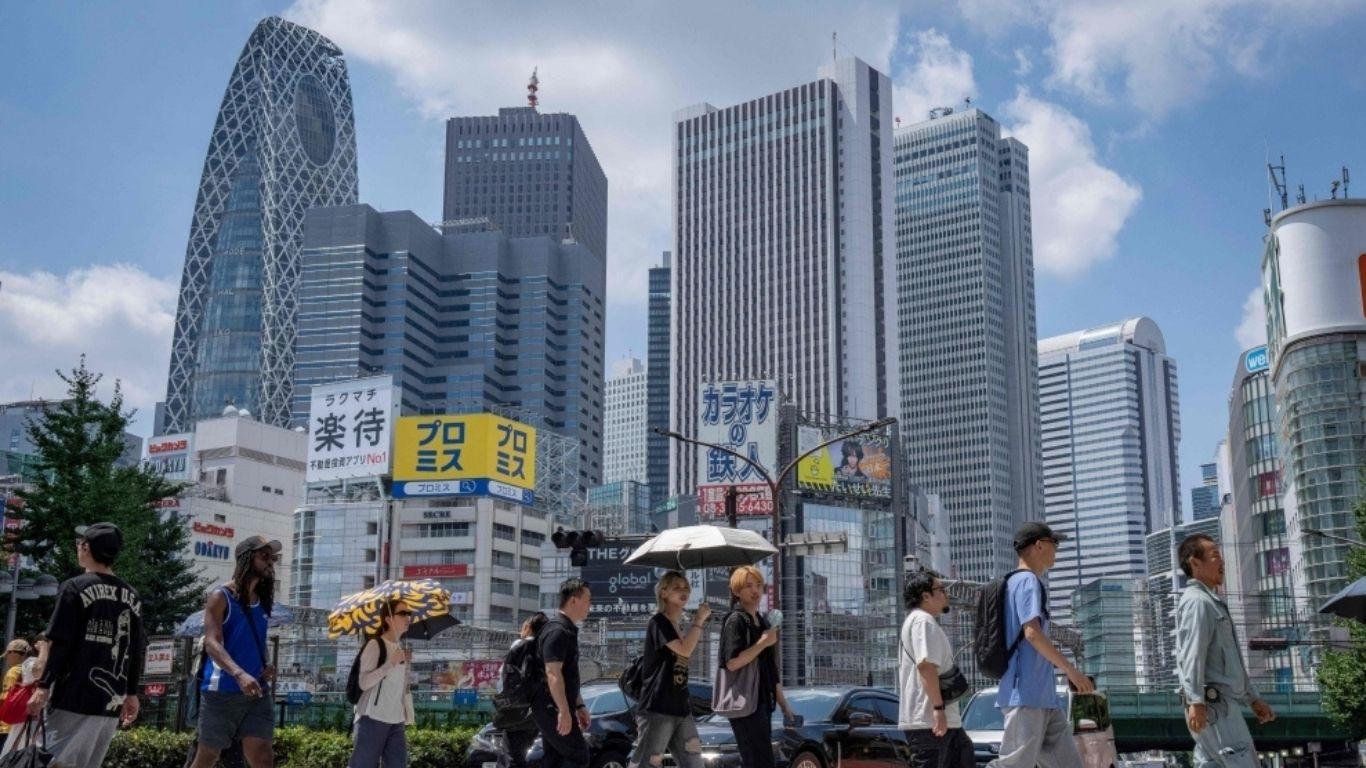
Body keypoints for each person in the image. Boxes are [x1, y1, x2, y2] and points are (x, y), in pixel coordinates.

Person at [28, 523, 145, 768]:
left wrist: (44, 685)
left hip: (73, 694)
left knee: (49, 760)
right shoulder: (131, 595)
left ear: (86, 548)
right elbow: (136, 648)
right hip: (109, 700)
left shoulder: (75, 587)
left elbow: (60, 641)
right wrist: (131, 692)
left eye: (80, 543)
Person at [987, 522, 1093, 768]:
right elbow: (1032, 633)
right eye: (1054, 544)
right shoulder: (1027, 582)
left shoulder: (1015, 582)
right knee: (1014, 765)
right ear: (1039, 546)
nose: (1056, 550)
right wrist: (1071, 670)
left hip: (1043, 697)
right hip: (1025, 694)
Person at [1175, 534, 1275, 768]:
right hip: (1214, 706)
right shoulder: (1198, 602)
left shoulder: (1209, 601)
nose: (1222, 563)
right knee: (1239, 760)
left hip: (1218, 703)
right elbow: (1192, 655)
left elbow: (1230, 660)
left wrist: (1252, 698)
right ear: (1195, 563)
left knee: (1214, 763)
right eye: (1215, 556)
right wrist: (1196, 701)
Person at [188, 535, 281, 768]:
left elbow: (253, 640)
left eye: (273, 558)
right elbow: (212, 643)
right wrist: (239, 674)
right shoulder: (221, 597)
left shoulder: (261, 600)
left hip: (257, 692)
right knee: (208, 756)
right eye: (265, 556)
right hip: (222, 692)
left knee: (262, 755)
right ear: (246, 558)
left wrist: (266, 663)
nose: (270, 562)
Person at [628, 571, 711, 768]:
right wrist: (698, 621)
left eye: (686, 587)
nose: (683, 591)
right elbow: (685, 650)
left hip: (681, 708)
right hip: (657, 708)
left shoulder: (677, 626)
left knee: (694, 764)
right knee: (646, 763)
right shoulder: (658, 623)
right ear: (663, 593)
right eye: (676, 587)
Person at [719, 566, 794, 768]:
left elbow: (770, 669)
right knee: (758, 760)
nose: (755, 591)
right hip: (744, 702)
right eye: (748, 586)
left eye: (759, 585)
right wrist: (762, 643)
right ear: (736, 591)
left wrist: (783, 704)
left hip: (761, 701)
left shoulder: (761, 621)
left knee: (761, 760)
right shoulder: (736, 620)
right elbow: (732, 662)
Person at [898, 570, 973, 768]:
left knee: (966, 756)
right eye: (941, 589)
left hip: (941, 722)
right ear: (925, 596)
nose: (946, 594)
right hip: (930, 721)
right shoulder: (923, 621)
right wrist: (938, 709)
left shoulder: (919, 621)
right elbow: (926, 666)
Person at [533, 578, 593, 768]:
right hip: (551, 708)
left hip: (554, 708)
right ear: (573, 600)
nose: (590, 605)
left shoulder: (566, 630)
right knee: (578, 756)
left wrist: (579, 705)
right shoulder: (558, 631)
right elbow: (552, 673)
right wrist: (564, 711)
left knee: (555, 760)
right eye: (588, 599)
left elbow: (568, 675)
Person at [349, 598, 416, 768]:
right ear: (388, 619)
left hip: (396, 718)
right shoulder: (375, 645)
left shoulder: (400, 648)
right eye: (402, 613)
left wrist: (405, 665)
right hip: (373, 717)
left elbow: (397, 686)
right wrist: (391, 663)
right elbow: (363, 683)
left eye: (409, 613)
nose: (408, 617)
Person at [496, 613, 549, 768]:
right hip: (541, 711)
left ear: (529, 627)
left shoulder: (519, 645)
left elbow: (504, 677)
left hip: (517, 711)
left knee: (511, 755)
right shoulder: (547, 648)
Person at [1, 635, 47, 758]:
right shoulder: (33, 665)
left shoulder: (15, 670)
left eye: (9, 653)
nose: (7, 657)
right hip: (28, 722)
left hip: (13, 723)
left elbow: (7, 696)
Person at [0, 639, 32, 737]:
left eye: (9, 653)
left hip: (6, 724)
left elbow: (6, 698)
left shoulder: (13, 671)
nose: (7, 657)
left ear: (16, 654)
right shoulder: (31, 670)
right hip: (21, 723)